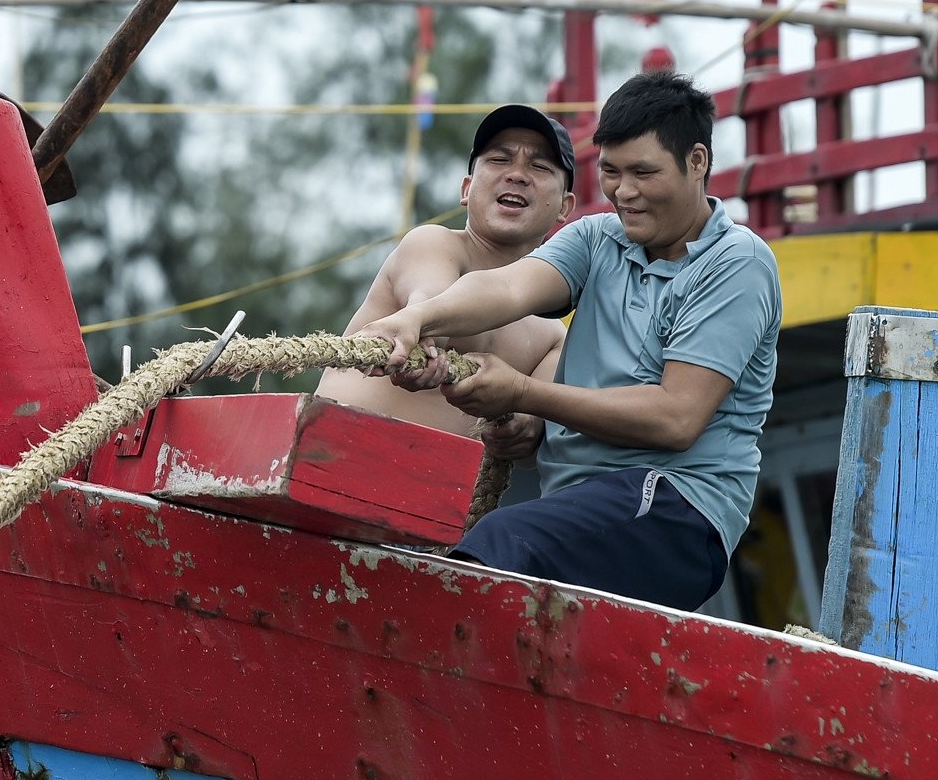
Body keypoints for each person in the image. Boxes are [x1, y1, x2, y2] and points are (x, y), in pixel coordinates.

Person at [359, 71, 781, 611]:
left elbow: (675, 419)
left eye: (643, 172)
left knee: (501, 543)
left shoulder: (737, 263)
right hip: (579, 511)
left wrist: (521, 396)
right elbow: (509, 286)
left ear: (697, 162)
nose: (624, 191)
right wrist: (418, 318)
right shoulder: (595, 237)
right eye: (610, 171)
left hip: (675, 511)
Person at [316, 104, 577, 460]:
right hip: (325, 456)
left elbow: (531, 427)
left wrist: (520, 428)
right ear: (467, 188)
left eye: (539, 166)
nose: (516, 175)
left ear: (565, 207)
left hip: (435, 503)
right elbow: (430, 304)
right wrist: (421, 333)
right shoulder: (433, 244)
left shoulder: (552, 336)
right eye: (500, 160)